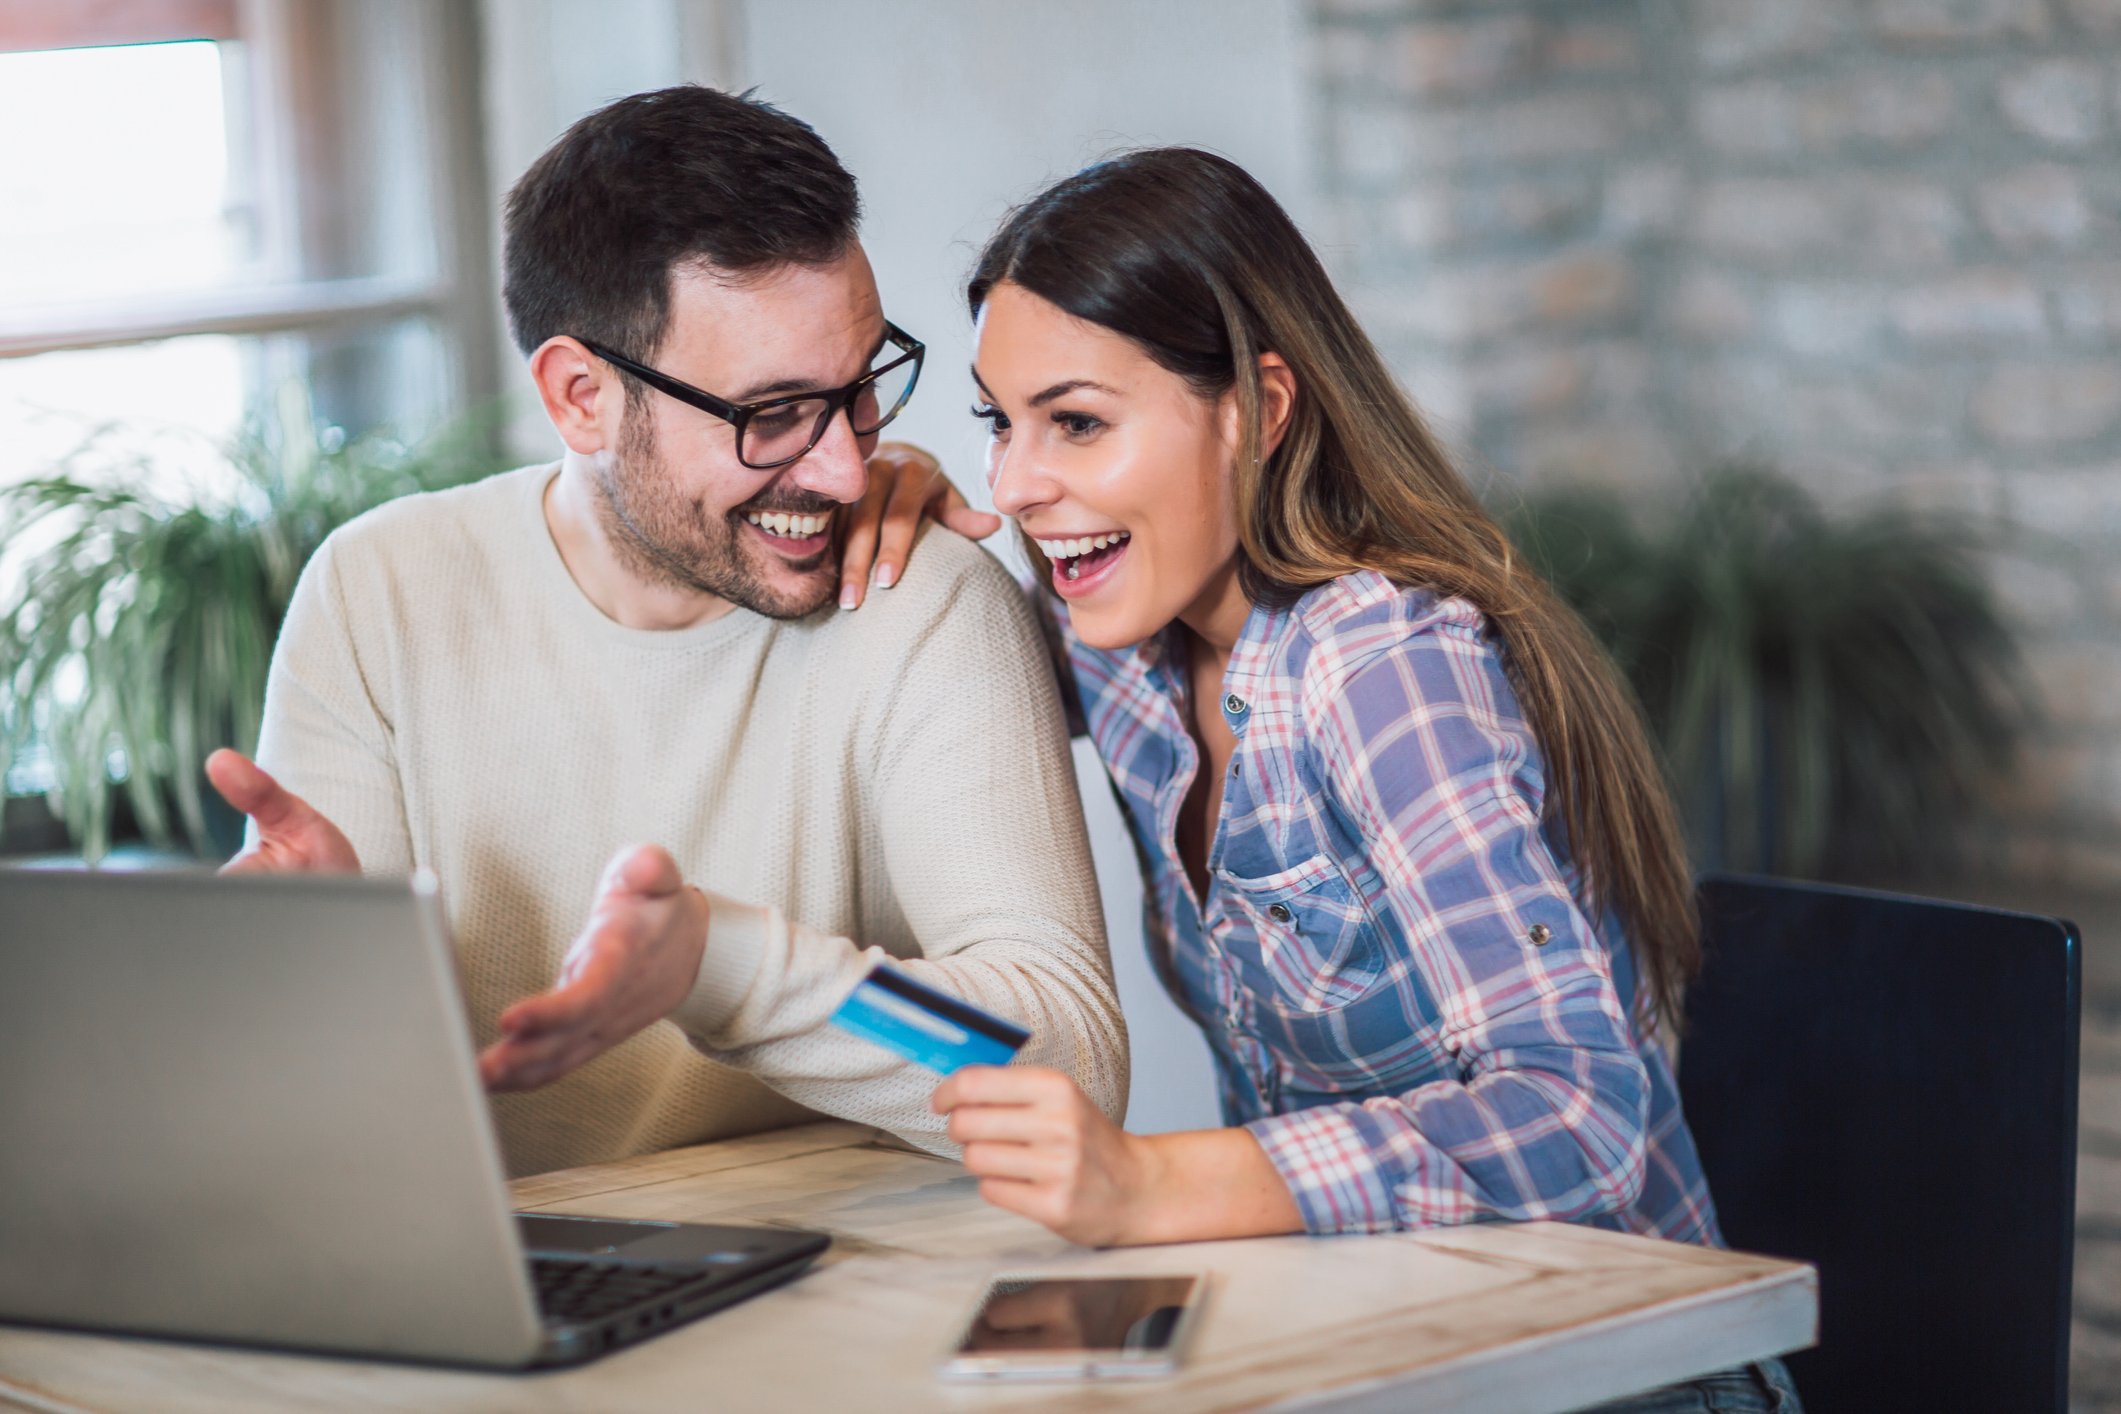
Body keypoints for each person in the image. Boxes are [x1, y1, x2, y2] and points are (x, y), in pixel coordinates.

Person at [920, 148, 1800, 1411]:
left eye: (1077, 422)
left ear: (1261, 409)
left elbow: (1585, 1115)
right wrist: (880, 513)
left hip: (1613, 1378)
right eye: (998, 425)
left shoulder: (1381, 666)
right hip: (1376, 1343)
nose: (1014, 486)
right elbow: (938, 675)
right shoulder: (1120, 635)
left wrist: (1155, 1184)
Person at [204, 84, 1127, 1179]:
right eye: (770, 413)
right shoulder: (380, 593)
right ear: (581, 396)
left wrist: (728, 972)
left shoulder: (920, 604)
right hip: (521, 1286)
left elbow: (1062, 1065)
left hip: (862, 1291)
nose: (843, 467)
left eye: (862, 387)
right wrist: (300, 988)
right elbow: (343, 1145)